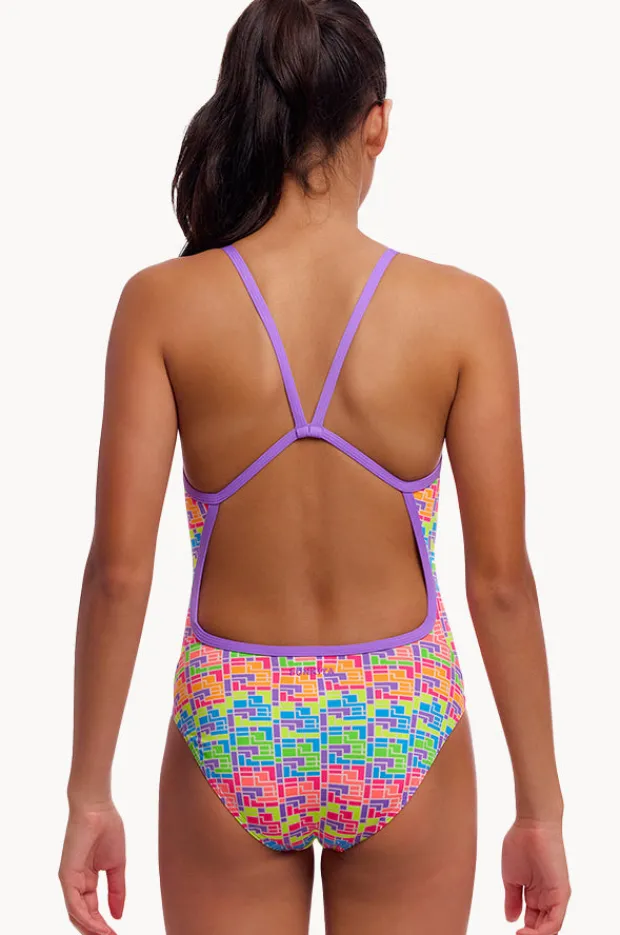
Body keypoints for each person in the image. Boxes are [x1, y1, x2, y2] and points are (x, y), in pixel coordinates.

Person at [58, 1, 570, 933]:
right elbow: (501, 584)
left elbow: (118, 572)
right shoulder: (464, 312)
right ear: (377, 123)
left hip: (232, 718)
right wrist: (541, 810)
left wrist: (88, 792)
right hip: (403, 718)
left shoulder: (161, 305)